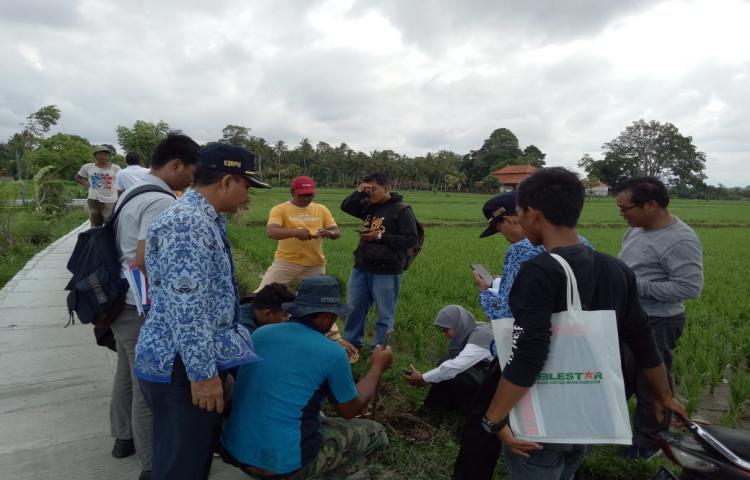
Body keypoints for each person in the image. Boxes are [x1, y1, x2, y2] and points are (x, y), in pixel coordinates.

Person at [453, 167, 687, 480]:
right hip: (589, 411)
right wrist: (664, 396)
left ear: (533, 214)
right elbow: (643, 340)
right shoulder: (617, 270)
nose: (519, 220)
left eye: (520, 212)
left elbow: (529, 352)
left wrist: (492, 419)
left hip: (543, 416)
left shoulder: (539, 270)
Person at [134, 143, 270, 480]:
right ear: (226, 181)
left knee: (190, 455)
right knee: (183, 464)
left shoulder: (206, 218)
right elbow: (187, 308)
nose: (248, 195)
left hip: (190, 358)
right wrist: (203, 375)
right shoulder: (188, 226)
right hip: (181, 364)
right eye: (246, 185)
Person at [221, 275, 393, 478]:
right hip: (282, 465)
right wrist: (376, 368)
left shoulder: (261, 333)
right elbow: (350, 409)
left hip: (234, 450)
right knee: (375, 433)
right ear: (328, 317)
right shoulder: (333, 354)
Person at [109, 133, 200, 480]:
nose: (192, 180)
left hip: (119, 302)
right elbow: (147, 259)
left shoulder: (132, 191)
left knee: (126, 375)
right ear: (175, 164)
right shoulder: (161, 202)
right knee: (149, 387)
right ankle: (151, 465)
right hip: (139, 307)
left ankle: (123, 440)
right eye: (191, 171)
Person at [614, 176, 704, 459]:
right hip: (631, 318)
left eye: (626, 209)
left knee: (651, 386)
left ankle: (647, 447)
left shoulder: (681, 240)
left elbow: (690, 287)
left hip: (660, 322)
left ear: (650, 205)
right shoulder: (636, 231)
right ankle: (617, 435)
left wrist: (636, 286)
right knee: (620, 378)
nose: (623, 215)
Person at [474, 192, 592, 320]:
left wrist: (485, 291)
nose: (505, 238)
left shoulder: (520, 250)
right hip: (582, 327)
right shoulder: (582, 242)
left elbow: (507, 313)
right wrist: (504, 281)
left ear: (509, 220)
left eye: (500, 231)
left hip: (543, 333)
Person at [340, 172, 419, 348]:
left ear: (386, 187)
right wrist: (359, 191)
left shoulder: (402, 209)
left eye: (373, 189)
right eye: (367, 189)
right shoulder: (369, 205)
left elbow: (410, 239)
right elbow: (345, 206)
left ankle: (382, 350)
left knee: (384, 314)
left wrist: (380, 236)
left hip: (387, 271)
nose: (370, 193)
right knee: (354, 309)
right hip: (361, 267)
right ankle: (352, 344)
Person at [404, 305, 494, 416]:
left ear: (458, 324)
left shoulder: (481, 336)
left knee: (456, 374)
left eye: (446, 330)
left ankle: (439, 410)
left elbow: (457, 366)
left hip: (493, 386)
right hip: (484, 374)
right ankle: (442, 407)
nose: (445, 335)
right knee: (445, 364)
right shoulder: (472, 327)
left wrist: (423, 378)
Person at [256, 175, 340, 290]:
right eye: (302, 195)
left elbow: (336, 231)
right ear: (292, 192)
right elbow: (271, 231)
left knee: (317, 300)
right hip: (286, 262)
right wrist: (295, 232)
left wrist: (329, 233)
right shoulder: (280, 209)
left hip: (315, 264)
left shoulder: (322, 209)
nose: (306, 199)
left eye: (309, 195)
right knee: (263, 294)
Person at [75, 145, 121, 227]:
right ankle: (96, 238)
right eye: (100, 154)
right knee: (95, 224)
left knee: (110, 222)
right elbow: (78, 177)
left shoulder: (116, 168)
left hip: (110, 200)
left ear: (109, 156)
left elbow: (121, 182)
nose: (103, 157)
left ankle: (107, 238)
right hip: (94, 199)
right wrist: (86, 185)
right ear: (95, 155)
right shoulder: (88, 167)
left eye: (105, 155)